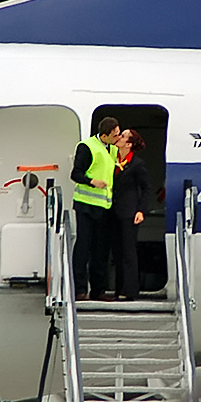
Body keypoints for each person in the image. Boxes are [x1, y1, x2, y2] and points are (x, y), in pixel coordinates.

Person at [71, 116, 120, 300]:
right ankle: (80, 289)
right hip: (85, 205)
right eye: (115, 135)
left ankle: (98, 290)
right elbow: (75, 174)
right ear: (105, 135)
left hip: (103, 206)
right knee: (84, 246)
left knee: (101, 249)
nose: (117, 137)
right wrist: (92, 182)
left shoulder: (112, 150)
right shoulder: (87, 147)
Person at [110, 129, 151, 300]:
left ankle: (131, 291)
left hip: (130, 212)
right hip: (113, 211)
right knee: (116, 252)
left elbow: (146, 188)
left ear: (128, 144)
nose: (119, 137)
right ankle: (118, 289)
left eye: (123, 136)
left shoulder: (136, 164)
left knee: (128, 252)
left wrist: (141, 210)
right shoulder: (112, 159)